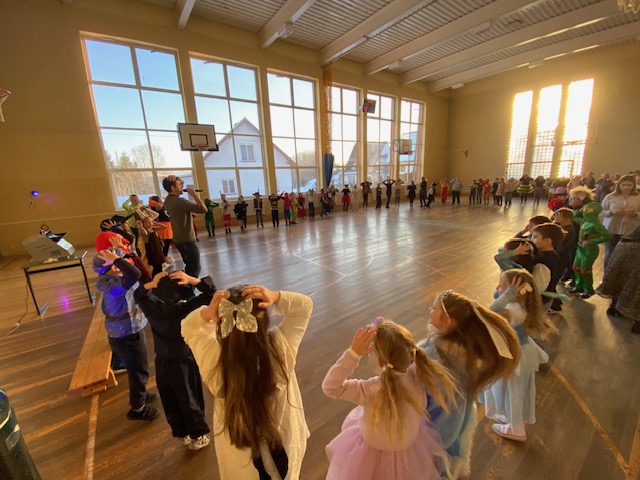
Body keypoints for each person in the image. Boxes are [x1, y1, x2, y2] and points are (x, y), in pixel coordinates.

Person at [181, 285, 313, 480]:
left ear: (221, 324)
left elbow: (189, 328)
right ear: (264, 320)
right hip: (286, 446)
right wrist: (275, 296)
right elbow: (304, 307)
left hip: (241, 465)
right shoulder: (280, 349)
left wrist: (207, 313)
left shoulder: (213, 361)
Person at [322, 318, 457, 480]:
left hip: (370, 453)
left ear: (379, 360)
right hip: (409, 451)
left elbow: (330, 387)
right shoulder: (417, 373)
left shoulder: (370, 389)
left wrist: (353, 354)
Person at [418, 290, 520, 478]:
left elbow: (419, 391)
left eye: (434, 307)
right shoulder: (465, 355)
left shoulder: (436, 356)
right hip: (451, 428)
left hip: (435, 433)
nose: (430, 309)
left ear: (447, 321)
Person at [134, 271, 214, 449]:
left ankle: (182, 432)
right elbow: (212, 293)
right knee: (190, 397)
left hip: (162, 361)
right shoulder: (188, 310)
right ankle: (198, 434)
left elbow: (138, 295)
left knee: (169, 398)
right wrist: (192, 279)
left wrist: (152, 283)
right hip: (184, 361)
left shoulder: (154, 310)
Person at [480, 269, 555, 442]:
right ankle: (515, 419)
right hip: (521, 353)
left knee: (514, 392)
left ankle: (516, 429)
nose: (497, 288)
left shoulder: (514, 311)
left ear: (515, 291)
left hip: (517, 357)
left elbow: (489, 313)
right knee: (513, 390)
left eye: (502, 286)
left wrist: (508, 294)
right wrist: (507, 293)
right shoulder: (519, 307)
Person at [93, 248, 160, 421]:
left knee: (138, 369)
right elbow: (135, 274)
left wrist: (151, 284)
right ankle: (138, 408)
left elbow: (135, 285)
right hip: (127, 335)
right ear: (108, 269)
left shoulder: (116, 280)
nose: (121, 264)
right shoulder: (113, 285)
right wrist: (116, 260)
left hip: (128, 332)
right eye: (115, 263)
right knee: (139, 370)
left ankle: (141, 395)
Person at [162, 175, 207, 278]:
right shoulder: (179, 201)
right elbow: (203, 209)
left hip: (178, 239)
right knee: (195, 267)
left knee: (189, 266)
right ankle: (190, 286)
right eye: (180, 184)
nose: (182, 185)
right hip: (187, 239)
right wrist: (194, 194)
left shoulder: (168, 200)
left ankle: (187, 285)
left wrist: (176, 179)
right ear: (173, 187)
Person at [598, 226, 640, 333]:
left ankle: (614, 307)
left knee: (621, 275)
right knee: (636, 284)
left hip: (625, 245)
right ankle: (637, 321)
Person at [572, 202, 612, 298]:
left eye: (588, 210)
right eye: (585, 210)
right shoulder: (584, 221)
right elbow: (574, 217)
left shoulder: (596, 224)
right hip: (580, 248)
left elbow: (608, 235)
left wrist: (591, 241)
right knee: (576, 267)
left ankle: (588, 290)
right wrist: (579, 210)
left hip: (590, 249)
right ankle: (579, 286)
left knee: (585, 270)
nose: (586, 212)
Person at [601, 174, 640, 269]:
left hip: (630, 230)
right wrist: (612, 212)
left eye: (629, 185)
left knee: (627, 255)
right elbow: (601, 211)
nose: (626, 187)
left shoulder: (638, 197)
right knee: (610, 254)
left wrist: (635, 214)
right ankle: (608, 274)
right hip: (612, 229)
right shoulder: (610, 197)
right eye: (624, 185)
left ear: (633, 186)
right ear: (619, 185)